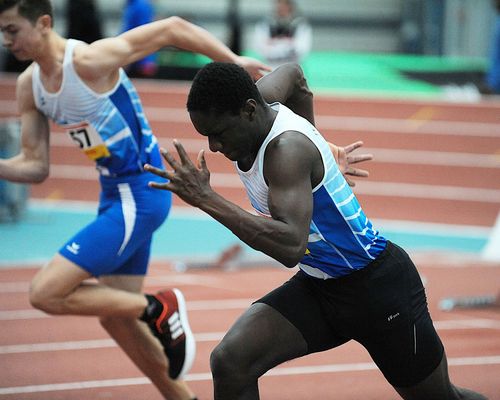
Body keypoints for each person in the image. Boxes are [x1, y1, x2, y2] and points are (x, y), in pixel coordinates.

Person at [145, 62, 488, 400]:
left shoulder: (286, 152)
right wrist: (320, 148)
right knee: (231, 361)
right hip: (320, 287)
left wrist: (206, 198)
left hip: (377, 289)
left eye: (218, 133)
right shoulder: (257, 99)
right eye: (206, 136)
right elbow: (294, 75)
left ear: (249, 111)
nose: (215, 146)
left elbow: (290, 246)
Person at [0, 1, 270, 399]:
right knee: (115, 317)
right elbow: (36, 166)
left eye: (11, 30)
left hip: (141, 192)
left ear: (43, 23)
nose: (7, 41)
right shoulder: (30, 85)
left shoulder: (90, 61)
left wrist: (230, 61)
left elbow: (171, 28)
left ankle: (158, 307)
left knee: (45, 292)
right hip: (113, 196)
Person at [252, 0, 312, 69]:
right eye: (278, 2)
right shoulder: (265, 24)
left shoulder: (300, 24)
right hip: (270, 69)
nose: (280, 6)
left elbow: (300, 49)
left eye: (284, 3)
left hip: (292, 70)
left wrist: (274, 44)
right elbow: (260, 48)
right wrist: (287, 45)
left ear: (291, 5)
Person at [122, 0, 158, 78]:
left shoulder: (136, 4)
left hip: (128, 51)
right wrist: (147, 61)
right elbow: (145, 33)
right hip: (134, 55)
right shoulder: (142, 5)